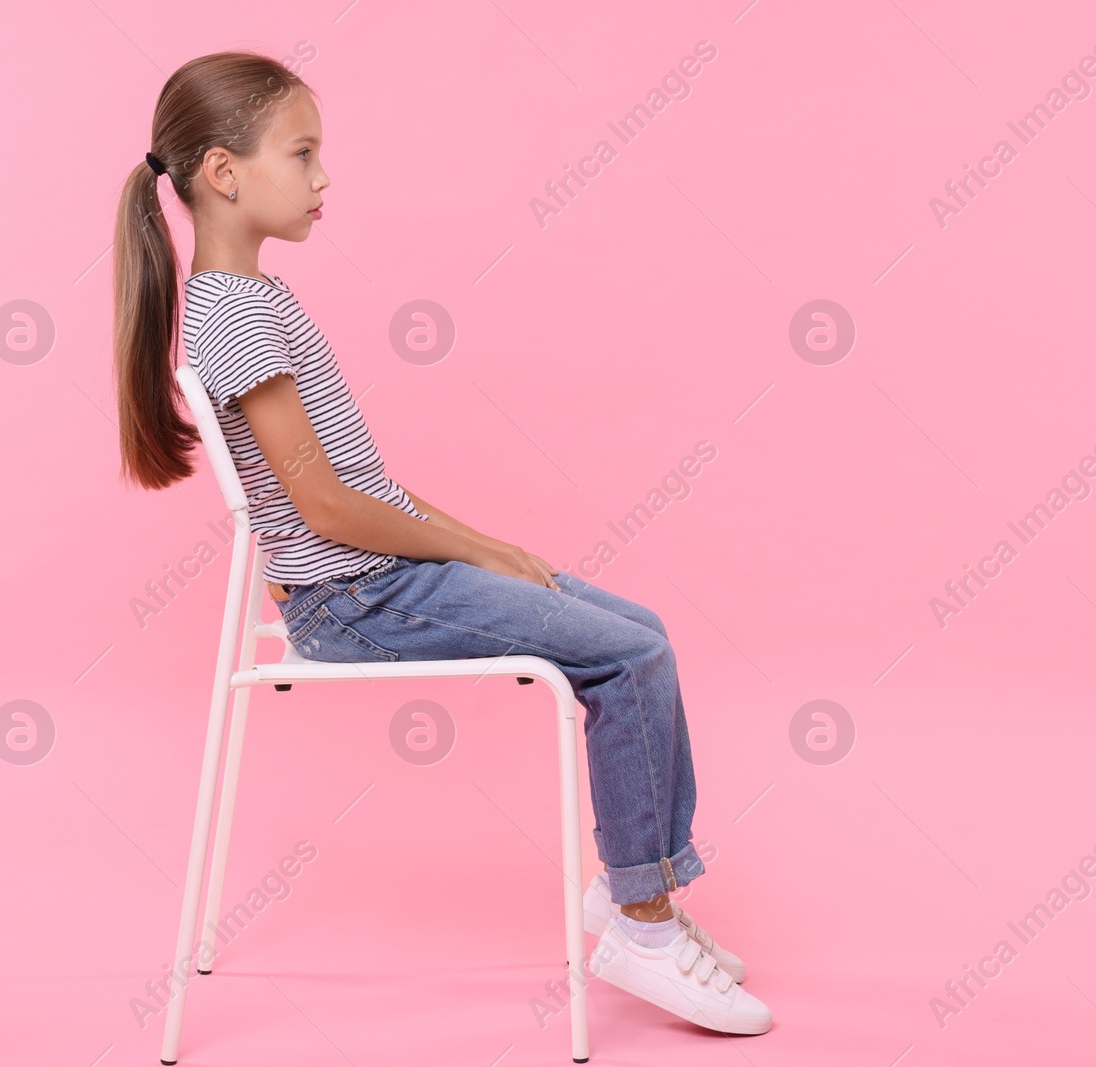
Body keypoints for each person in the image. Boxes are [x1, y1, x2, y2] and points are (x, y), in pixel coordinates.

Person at [111, 51, 772, 1038]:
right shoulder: (234, 311)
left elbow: (359, 482)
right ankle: (641, 923)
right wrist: (473, 554)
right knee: (627, 655)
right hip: (356, 601)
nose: (324, 177)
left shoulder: (251, 299)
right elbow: (326, 509)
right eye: (303, 153)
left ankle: (636, 892)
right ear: (223, 172)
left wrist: (488, 546)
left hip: (382, 579)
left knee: (638, 628)